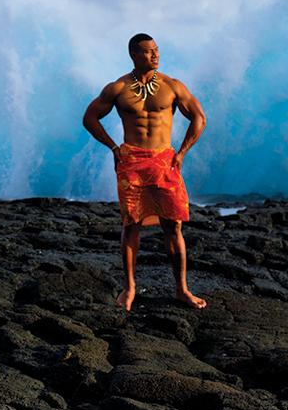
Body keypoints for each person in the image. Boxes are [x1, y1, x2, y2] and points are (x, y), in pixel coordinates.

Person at [82, 33, 207, 312]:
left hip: (165, 162)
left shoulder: (173, 86)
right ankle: (130, 288)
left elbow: (199, 117)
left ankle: (181, 289)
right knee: (131, 225)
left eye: (157, 50)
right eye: (148, 52)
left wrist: (182, 151)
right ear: (134, 55)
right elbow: (89, 117)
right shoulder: (118, 88)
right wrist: (114, 148)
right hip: (132, 162)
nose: (155, 55)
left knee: (173, 225)